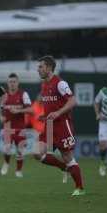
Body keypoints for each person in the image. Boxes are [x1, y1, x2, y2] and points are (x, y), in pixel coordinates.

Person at [33, 55, 84, 196]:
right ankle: (63, 167)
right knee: (37, 153)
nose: (38, 70)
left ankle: (80, 188)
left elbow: (73, 101)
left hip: (62, 125)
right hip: (49, 126)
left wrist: (58, 113)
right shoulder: (44, 85)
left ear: (49, 68)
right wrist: (45, 116)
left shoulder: (60, 83)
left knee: (67, 156)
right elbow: (51, 106)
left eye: (41, 67)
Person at [0, 73, 33, 178]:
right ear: (7, 83)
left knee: (20, 150)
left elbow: (31, 110)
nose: (12, 84)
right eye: (10, 82)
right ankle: (6, 163)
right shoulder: (4, 95)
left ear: (18, 83)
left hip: (20, 127)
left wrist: (19, 110)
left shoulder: (23, 94)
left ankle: (18, 170)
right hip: (8, 127)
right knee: (7, 148)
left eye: (14, 82)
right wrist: (0, 117)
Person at [94, 86, 107, 178]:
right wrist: (97, 114)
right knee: (104, 145)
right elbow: (96, 102)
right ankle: (103, 163)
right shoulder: (103, 91)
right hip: (104, 123)